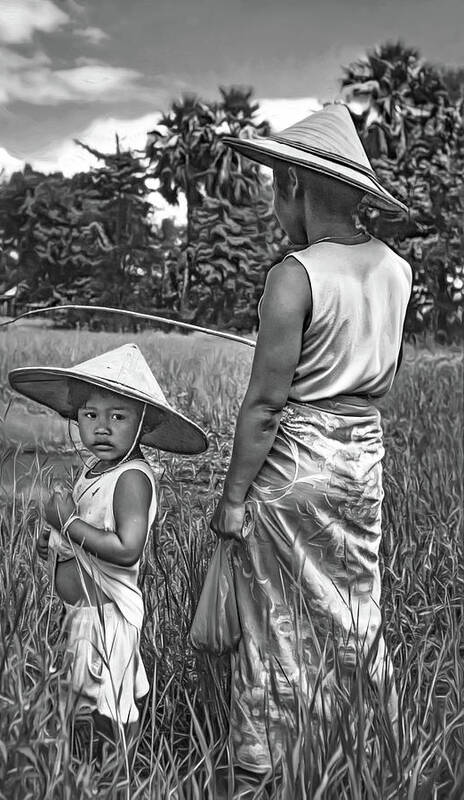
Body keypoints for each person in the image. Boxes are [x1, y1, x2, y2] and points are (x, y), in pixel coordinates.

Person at [207, 104, 412, 793]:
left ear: (294, 184)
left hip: (297, 461)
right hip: (361, 459)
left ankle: (262, 767)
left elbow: (266, 404)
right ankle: (365, 741)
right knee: (353, 602)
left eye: (274, 189)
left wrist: (233, 497)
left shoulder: (293, 274)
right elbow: (376, 370)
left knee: (275, 617)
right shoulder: (397, 269)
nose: (272, 206)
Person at [8, 344, 207, 765]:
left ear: (143, 423)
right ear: (74, 416)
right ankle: (89, 770)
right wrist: (54, 545)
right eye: (90, 415)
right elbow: (88, 535)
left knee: (110, 704)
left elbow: (126, 548)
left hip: (107, 620)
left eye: (118, 416)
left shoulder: (132, 479)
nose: (101, 428)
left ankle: (119, 775)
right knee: (85, 700)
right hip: (81, 614)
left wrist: (67, 525)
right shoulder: (94, 471)